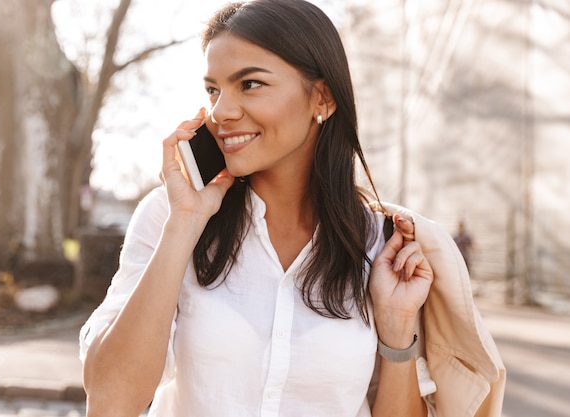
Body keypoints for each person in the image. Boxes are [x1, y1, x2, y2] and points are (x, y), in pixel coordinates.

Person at [79, 1, 504, 416]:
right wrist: (184, 225)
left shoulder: (383, 246)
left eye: (250, 84)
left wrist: (396, 327)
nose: (221, 111)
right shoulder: (171, 216)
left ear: (322, 98)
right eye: (213, 89)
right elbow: (110, 404)